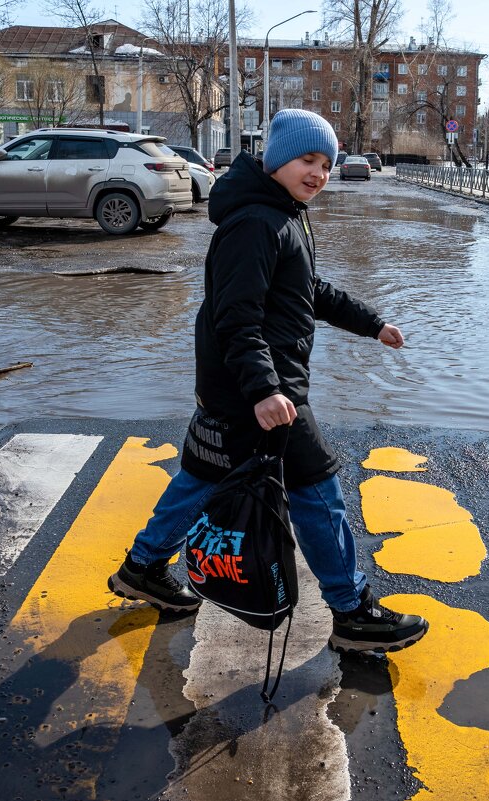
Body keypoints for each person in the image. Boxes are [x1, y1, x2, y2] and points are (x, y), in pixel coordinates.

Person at [108, 109, 429, 654]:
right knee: (318, 492)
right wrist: (263, 390)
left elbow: (310, 289)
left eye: (326, 163)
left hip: (244, 386)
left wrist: (371, 324)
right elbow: (236, 315)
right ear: (278, 160)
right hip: (262, 390)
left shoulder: (283, 215)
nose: (319, 173)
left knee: (204, 476)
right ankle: (352, 612)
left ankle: (141, 566)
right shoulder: (258, 223)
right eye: (308, 159)